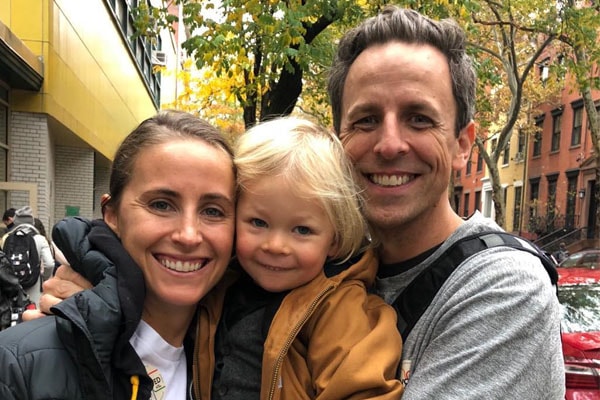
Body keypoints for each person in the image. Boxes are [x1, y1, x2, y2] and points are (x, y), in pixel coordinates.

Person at [327, 5, 564, 399]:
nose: (389, 145)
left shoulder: (504, 288)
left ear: (462, 145)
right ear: (338, 142)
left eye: (419, 118)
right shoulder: (320, 265)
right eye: (366, 119)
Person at [0, 110, 236, 399]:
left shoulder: (246, 359)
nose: (188, 235)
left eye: (213, 211)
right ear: (112, 214)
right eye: (161, 205)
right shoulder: (18, 366)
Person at [198, 116, 403, 399]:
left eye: (302, 230)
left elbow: (362, 390)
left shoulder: (339, 309)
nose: (276, 246)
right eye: (258, 223)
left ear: (334, 241)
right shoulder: (219, 285)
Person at [1, 206, 55, 308]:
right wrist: (43, 278)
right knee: (33, 314)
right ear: (32, 222)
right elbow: (49, 264)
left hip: (12, 290)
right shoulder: (40, 239)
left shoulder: (7, 239)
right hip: (34, 288)